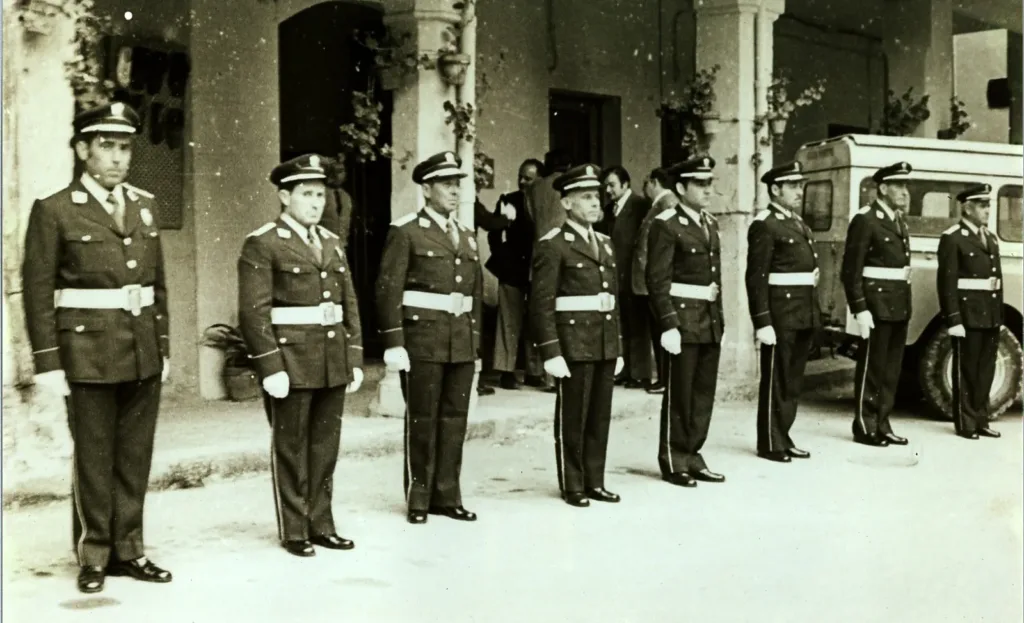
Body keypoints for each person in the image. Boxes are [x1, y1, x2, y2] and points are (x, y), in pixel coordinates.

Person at [21, 102, 172, 593]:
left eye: (124, 147)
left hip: (141, 350)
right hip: (85, 354)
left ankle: (130, 550)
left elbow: (157, 286)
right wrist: (47, 362)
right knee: (94, 455)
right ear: (83, 150)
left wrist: (162, 347)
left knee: (134, 456)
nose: (117, 157)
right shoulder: (55, 209)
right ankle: (94, 553)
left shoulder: (146, 205)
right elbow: (38, 289)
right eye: (106, 146)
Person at [237, 154, 364, 557]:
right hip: (291, 362)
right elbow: (253, 311)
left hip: (330, 358)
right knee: (292, 447)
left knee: (325, 446)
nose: (316, 203)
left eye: (320, 194)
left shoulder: (330, 242)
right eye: (306, 194)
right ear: (284, 196)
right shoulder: (264, 242)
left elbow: (349, 304)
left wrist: (354, 355)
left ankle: (321, 523)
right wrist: (270, 364)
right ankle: (295, 529)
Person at [375, 151, 483, 525]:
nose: (455, 192)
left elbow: (475, 296)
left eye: (457, 185)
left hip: (460, 342)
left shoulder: (467, 235)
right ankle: (419, 498)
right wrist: (394, 342)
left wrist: (475, 344)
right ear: (426, 189)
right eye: (446, 184)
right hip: (423, 340)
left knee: (455, 419)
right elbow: (388, 289)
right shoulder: (406, 231)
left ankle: (447, 496)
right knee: (423, 419)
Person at [530, 164, 624, 507]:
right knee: (574, 414)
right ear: (567, 204)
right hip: (573, 343)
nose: (595, 203)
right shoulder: (554, 245)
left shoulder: (606, 243)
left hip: (602, 341)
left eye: (597, 196)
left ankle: (594, 480)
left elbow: (613, 299)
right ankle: (573, 483)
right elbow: (541, 303)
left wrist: (618, 345)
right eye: (586, 197)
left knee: (599, 414)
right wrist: (551, 351)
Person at [646, 156, 726, 488]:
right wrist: (668, 324)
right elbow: (657, 279)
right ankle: (674, 457)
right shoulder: (666, 223)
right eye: (700, 184)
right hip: (683, 319)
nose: (708, 190)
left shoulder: (709, 223)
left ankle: (693, 454)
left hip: (708, 320)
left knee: (703, 394)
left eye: (710, 183)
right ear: (681, 187)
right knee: (681, 393)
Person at [745, 161, 820, 463]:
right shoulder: (765, 224)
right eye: (793, 186)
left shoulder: (797, 222)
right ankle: (771, 441)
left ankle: (784, 435)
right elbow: (756, 276)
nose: (799, 192)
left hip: (801, 312)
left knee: (792, 380)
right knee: (777, 379)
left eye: (800, 186)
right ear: (775, 189)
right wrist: (762, 320)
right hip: (781, 315)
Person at [841, 162, 914, 448]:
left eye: (906, 186)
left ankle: (882, 423)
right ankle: (864, 424)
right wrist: (859, 308)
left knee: (891, 371)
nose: (905, 192)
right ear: (883, 188)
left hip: (897, 304)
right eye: (899, 186)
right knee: (873, 368)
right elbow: (851, 270)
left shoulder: (898, 220)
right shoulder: (866, 220)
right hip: (875, 306)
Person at [937, 184, 1004, 440]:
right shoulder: (953, 237)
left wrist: (998, 316)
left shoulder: (990, 237)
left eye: (988, 205)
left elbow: (996, 281)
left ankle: (981, 419)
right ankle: (965, 423)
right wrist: (953, 319)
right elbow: (947, 282)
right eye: (982, 205)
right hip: (968, 315)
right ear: (967, 207)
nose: (987, 210)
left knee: (985, 370)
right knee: (966, 370)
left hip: (989, 313)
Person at [486, 158, 542, 390]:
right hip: (513, 270)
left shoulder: (546, 204)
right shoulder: (509, 200)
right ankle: (506, 371)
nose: (522, 181)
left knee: (536, 322)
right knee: (509, 322)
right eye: (520, 176)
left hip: (537, 271)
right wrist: (503, 258)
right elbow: (494, 233)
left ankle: (535, 372)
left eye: (528, 178)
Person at [599, 165, 655, 390]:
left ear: (625, 184)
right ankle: (626, 371)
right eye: (606, 187)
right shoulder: (610, 209)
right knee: (623, 326)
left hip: (634, 278)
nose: (608, 190)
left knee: (638, 327)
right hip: (617, 278)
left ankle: (640, 374)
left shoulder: (641, 206)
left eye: (612, 185)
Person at [633, 168, 677, 394]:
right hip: (650, 278)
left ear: (654, 182)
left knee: (661, 329)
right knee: (657, 329)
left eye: (646, 183)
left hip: (656, 279)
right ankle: (664, 376)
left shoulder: (666, 203)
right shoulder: (659, 205)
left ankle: (666, 378)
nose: (644, 188)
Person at [318, 155, 355, 249]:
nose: (336, 175)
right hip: (322, 246)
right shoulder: (320, 193)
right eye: (333, 171)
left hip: (341, 247)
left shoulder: (345, 196)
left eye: (341, 171)